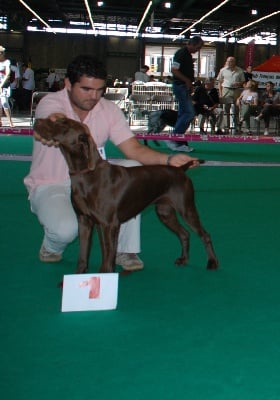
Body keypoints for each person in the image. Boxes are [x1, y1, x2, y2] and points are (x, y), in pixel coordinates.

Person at [24, 55, 199, 271]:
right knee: (66, 230)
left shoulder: (108, 109)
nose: (94, 96)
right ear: (68, 84)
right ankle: (51, 246)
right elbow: (53, 118)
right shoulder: (51, 102)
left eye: (99, 90)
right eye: (86, 89)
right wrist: (55, 124)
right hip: (52, 183)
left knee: (134, 171)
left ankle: (125, 250)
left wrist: (169, 159)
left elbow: (133, 149)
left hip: (93, 182)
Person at [167, 36, 204, 152]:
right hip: (180, 86)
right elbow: (174, 70)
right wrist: (187, 81)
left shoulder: (187, 55)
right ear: (191, 44)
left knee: (183, 113)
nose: (197, 51)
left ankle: (178, 141)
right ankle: (174, 138)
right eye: (197, 48)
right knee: (189, 113)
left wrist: (190, 83)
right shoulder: (181, 53)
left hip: (184, 86)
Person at [217, 56, 245, 133]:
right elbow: (220, 82)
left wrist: (238, 83)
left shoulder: (239, 70)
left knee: (236, 109)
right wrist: (220, 93)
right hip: (226, 89)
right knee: (226, 108)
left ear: (234, 62)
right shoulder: (223, 70)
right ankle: (226, 127)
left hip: (236, 90)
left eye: (231, 61)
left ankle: (236, 127)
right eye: (228, 61)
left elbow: (243, 82)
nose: (229, 63)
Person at [0, 45, 14, 127]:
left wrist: (1, 85)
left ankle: (10, 122)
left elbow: (8, 73)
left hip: (4, 85)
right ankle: (0, 121)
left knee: (4, 102)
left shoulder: (7, 62)